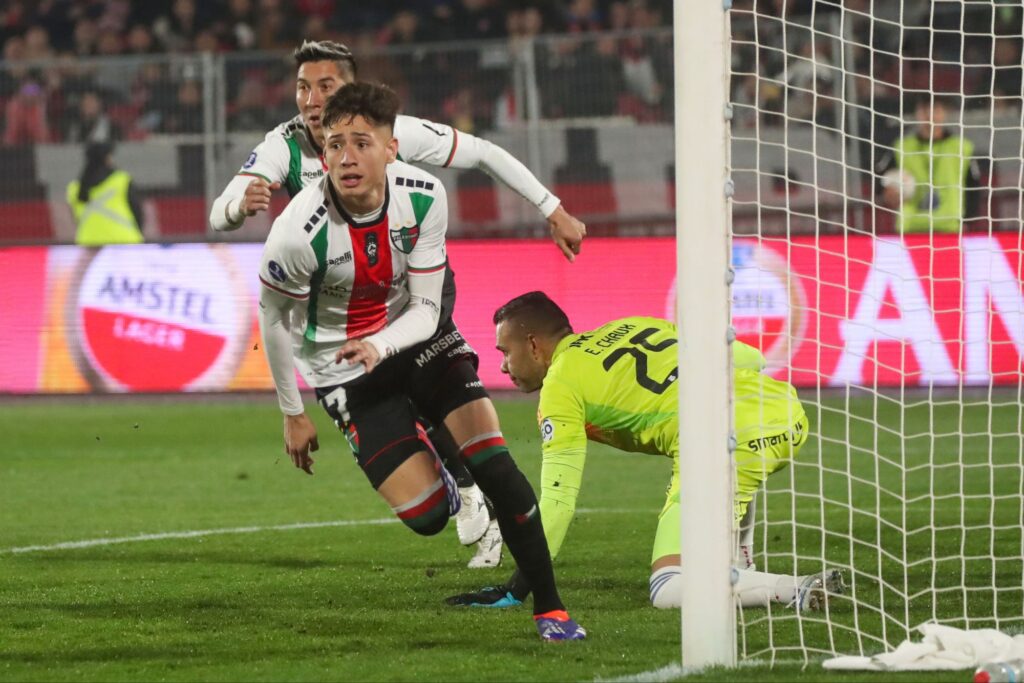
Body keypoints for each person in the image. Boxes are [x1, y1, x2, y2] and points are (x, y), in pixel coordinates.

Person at [211, 39, 588, 568]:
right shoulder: (284, 145)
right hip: (341, 323)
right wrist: (236, 207)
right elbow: (221, 211)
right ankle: (450, 481)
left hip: (413, 297)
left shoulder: (397, 134)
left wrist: (551, 207)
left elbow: (481, 152)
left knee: (445, 400)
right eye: (303, 87)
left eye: (327, 86)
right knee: (422, 500)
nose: (313, 100)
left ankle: (476, 486)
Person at [446, 292, 845, 611]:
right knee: (729, 467)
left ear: (533, 346)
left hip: (723, 442)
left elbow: (558, 501)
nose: (502, 367)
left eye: (504, 351)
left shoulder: (562, 385)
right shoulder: (631, 326)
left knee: (668, 588)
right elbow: (752, 359)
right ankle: (741, 563)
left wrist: (517, 588)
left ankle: (796, 588)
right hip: (786, 416)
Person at [878, 96, 983, 234]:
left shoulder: (962, 147)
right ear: (917, 113)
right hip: (910, 228)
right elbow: (880, 180)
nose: (930, 115)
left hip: (950, 227)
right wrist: (887, 192)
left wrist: (968, 220)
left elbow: (974, 186)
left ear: (944, 113)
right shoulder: (902, 147)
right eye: (925, 110)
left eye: (936, 110)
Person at [66, 142, 144, 246]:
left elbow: (76, 219)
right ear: (107, 158)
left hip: (89, 243)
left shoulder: (74, 188)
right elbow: (137, 212)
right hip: (124, 242)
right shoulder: (122, 180)